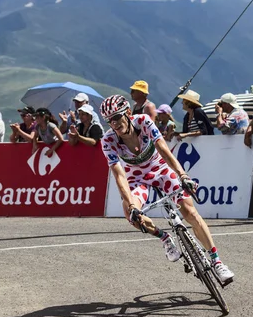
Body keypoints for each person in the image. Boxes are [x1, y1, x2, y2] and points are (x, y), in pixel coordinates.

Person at [99, 95, 234, 284]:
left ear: (128, 113)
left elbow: (164, 149)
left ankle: (217, 262)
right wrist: (132, 205)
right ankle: (164, 238)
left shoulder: (144, 122)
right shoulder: (108, 141)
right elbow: (119, 175)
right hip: (137, 178)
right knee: (130, 213)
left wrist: (183, 175)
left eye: (117, 117)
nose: (114, 123)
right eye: (109, 120)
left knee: (190, 212)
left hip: (160, 169)